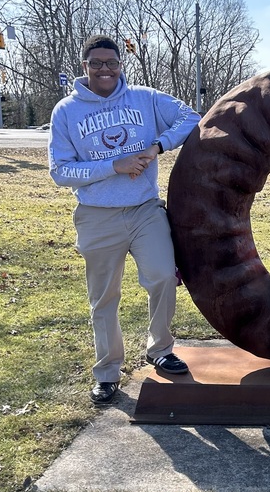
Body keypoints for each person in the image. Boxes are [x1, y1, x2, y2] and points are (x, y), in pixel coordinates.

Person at [48, 34, 200, 404]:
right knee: (104, 297)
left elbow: (191, 117)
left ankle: (159, 348)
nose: (105, 70)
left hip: (145, 209)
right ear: (85, 66)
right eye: (97, 63)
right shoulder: (66, 111)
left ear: (120, 65)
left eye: (112, 63)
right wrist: (113, 166)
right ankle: (107, 372)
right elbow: (60, 171)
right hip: (97, 216)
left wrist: (157, 145)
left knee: (163, 275)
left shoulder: (145, 98)